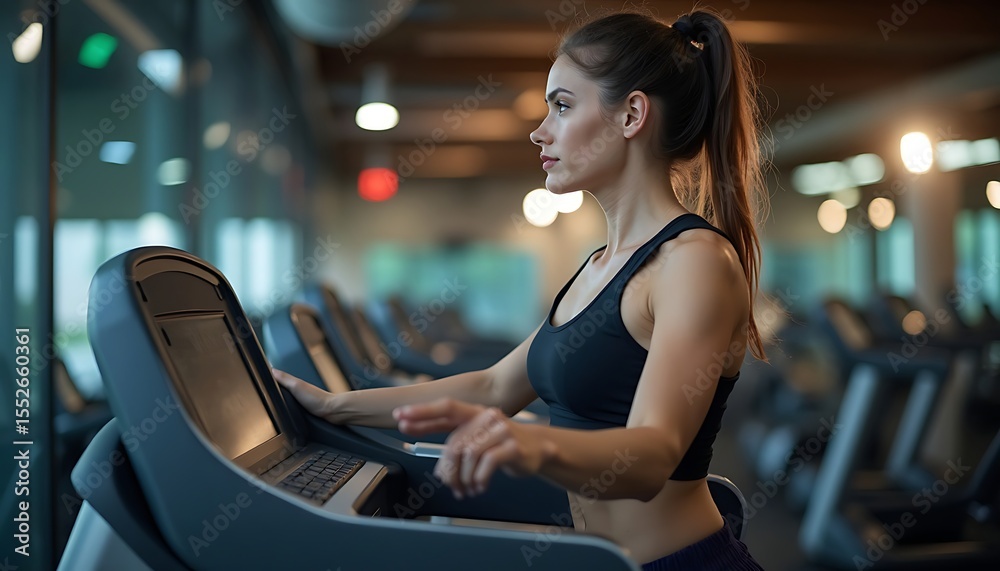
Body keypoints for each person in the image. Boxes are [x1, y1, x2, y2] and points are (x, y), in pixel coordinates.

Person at [276, 7, 767, 570]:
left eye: (562, 105)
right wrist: (335, 405)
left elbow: (653, 454)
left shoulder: (695, 262)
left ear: (631, 114)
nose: (539, 130)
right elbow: (490, 388)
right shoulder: (598, 266)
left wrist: (529, 445)